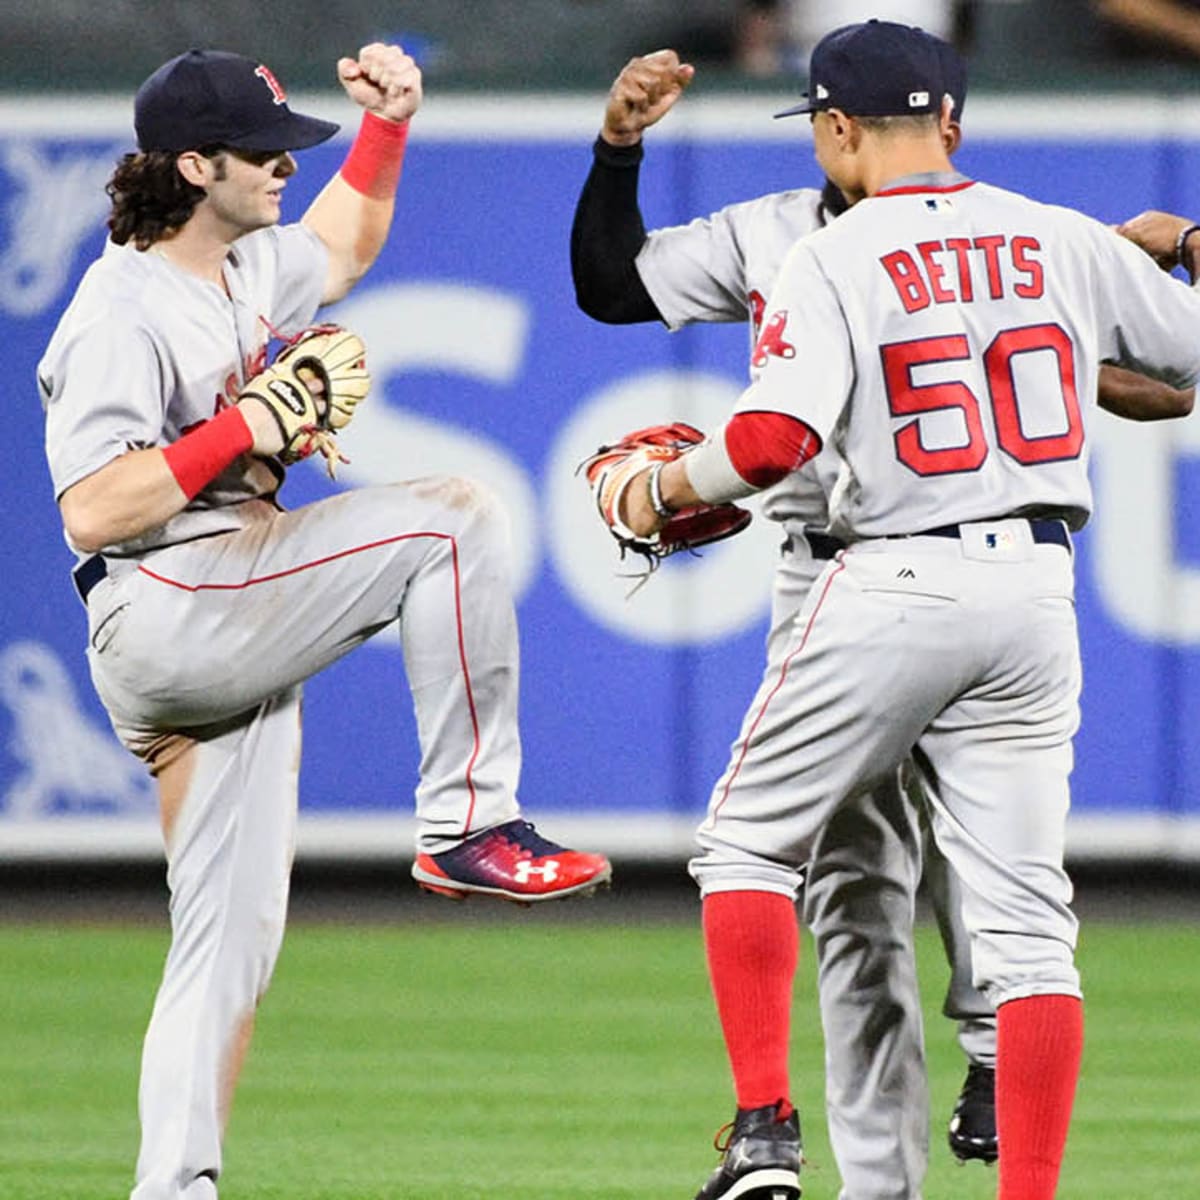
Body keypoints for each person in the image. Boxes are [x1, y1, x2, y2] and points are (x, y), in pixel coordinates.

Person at [592, 19, 1200, 1200]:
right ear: (952, 124)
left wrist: (659, 489)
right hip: (1035, 589)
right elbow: (1178, 372)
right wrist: (1185, 241)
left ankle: (764, 1134)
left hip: (886, 577)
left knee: (746, 847)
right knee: (1030, 932)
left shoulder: (831, 252)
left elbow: (770, 442)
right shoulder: (1058, 235)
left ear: (834, 129)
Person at [38, 44, 611, 1200]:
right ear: (194, 166)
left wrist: (387, 127)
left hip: (228, 604)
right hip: (168, 598)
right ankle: (469, 824)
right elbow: (93, 509)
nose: (285, 165)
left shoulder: (244, 262)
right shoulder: (119, 308)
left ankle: (174, 1189)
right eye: (263, 152)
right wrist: (241, 426)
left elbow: (345, 245)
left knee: (226, 946)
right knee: (452, 521)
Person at [572, 38, 996, 1199]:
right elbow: (615, 286)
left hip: (941, 555)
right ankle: (879, 1178)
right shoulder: (769, 231)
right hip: (824, 573)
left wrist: (673, 486)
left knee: (963, 832)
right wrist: (620, 150)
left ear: (837, 123)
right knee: (853, 893)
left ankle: (991, 1049)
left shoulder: (995, 232)